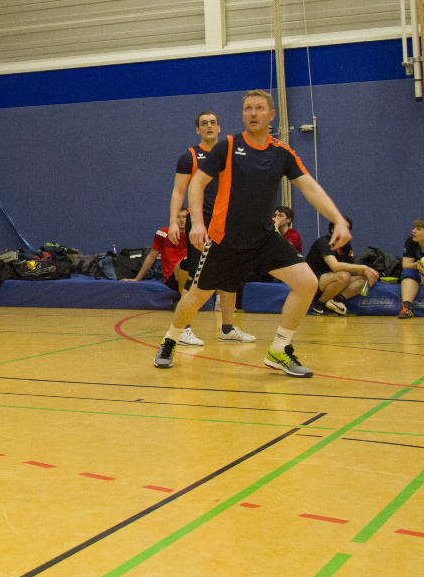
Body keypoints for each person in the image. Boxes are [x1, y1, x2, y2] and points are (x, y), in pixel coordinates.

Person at [154, 90, 351, 377]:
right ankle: (170, 340)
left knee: (307, 282)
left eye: (259, 108)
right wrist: (197, 224)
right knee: (196, 296)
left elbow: (310, 187)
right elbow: (196, 184)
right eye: (248, 108)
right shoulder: (228, 146)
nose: (253, 113)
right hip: (225, 241)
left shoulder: (282, 152)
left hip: (263, 237)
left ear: (272, 115)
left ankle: (279, 350)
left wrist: (338, 219)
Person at [167, 110, 254, 345]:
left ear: (219, 127)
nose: (209, 126)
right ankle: (183, 328)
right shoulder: (189, 157)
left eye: (213, 123)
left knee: (230, 275)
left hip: (228, 223)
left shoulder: (231, 155)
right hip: (201, 224)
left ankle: (227, 329)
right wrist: (174, 221)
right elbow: (178, 191)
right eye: (204, 123)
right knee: (196, 275)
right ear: (198, 130)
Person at [305, 215, 377, 315]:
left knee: (366, 277)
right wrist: (364, 267)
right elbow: (335, 266)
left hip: (332, 279)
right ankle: (319, 305)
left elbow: (351, 268)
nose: (344, 230)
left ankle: (336, 301)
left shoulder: (346, 245)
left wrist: (368, 271)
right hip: (313, 279)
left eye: (346, 228)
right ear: (332, 229)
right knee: (344, 276)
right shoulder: (324, 242)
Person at [128, 208, 190, 292]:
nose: (181, 220)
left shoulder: (193, 234)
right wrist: (137, 278)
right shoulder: (163, 233)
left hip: (190, 273)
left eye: (184, 217)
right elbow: (151, 256)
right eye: (178, 217)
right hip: (171, 276)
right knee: (184, 265)